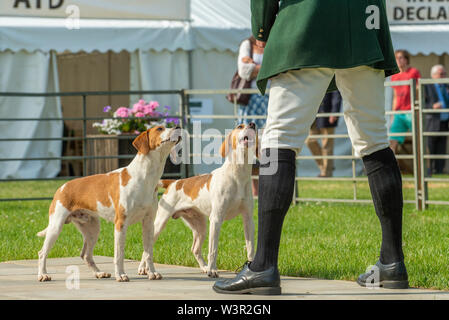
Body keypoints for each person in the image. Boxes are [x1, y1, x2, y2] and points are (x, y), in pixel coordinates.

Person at [213, 1, 408, 295]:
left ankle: (263, 265)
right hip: (365, 23)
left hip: (305, 24)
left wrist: (262, 29)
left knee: (280, 139)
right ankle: (392, 263)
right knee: (375, 141)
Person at [237, 35, 268, 196]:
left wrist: (255, 66)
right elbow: (243, 71)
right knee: (248, 145)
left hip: (269, 99)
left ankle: (266, 187)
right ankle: (252, 191)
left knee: (266, 143)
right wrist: (267, 67)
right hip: (250, 101)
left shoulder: (275, 41)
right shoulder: (247, 44)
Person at [389, 50, 421, 154]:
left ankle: (426, 168)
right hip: (399, 113)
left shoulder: (414, 72)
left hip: (411, 111)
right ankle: (390, 168)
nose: (398, 60)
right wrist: (393, 114)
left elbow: (419, 90)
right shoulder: (394, 76)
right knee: (392, 141)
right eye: (396, 58)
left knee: (419, 140)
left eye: (400, 57)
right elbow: (395, 96)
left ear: (406, 59)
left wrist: (417, 109)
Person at [306, 91, 342, 177]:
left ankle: (326, 173)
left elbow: (336, 95)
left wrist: (334, 112)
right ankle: (326, 167)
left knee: (327, 145)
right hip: (314, 115)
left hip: (327, 113)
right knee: (309, 141)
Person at [424, 64, 449, 174]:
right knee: (431, 148)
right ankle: (429, 171)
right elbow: (421, 104)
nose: (443, 76)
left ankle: (439, 171)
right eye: (441, 74)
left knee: (442, 149)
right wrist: (432, 107)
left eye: (444, 74)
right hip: (432, 123)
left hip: (444, 123)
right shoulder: (427, 86)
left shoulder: (447, 86)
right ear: (433, 75)